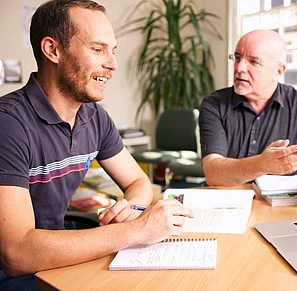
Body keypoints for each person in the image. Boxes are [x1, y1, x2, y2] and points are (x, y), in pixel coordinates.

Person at [0, 1, 193, 289]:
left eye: (112, 50)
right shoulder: (9, 123)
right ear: (53, 50)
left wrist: (130, 208)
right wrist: (136, 229)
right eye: (97, 49)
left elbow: (139, 181)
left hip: (57, 261)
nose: (112, 64)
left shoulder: (93, 116)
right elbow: (16, 255)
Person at [199, 29, 297, 208]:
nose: (239, 68)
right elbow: (213, 172)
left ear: (279, 71)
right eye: (238, 57)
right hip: (228, 205)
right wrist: (262, 164)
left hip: (288, 207)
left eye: (253, 61)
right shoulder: (214, 104)